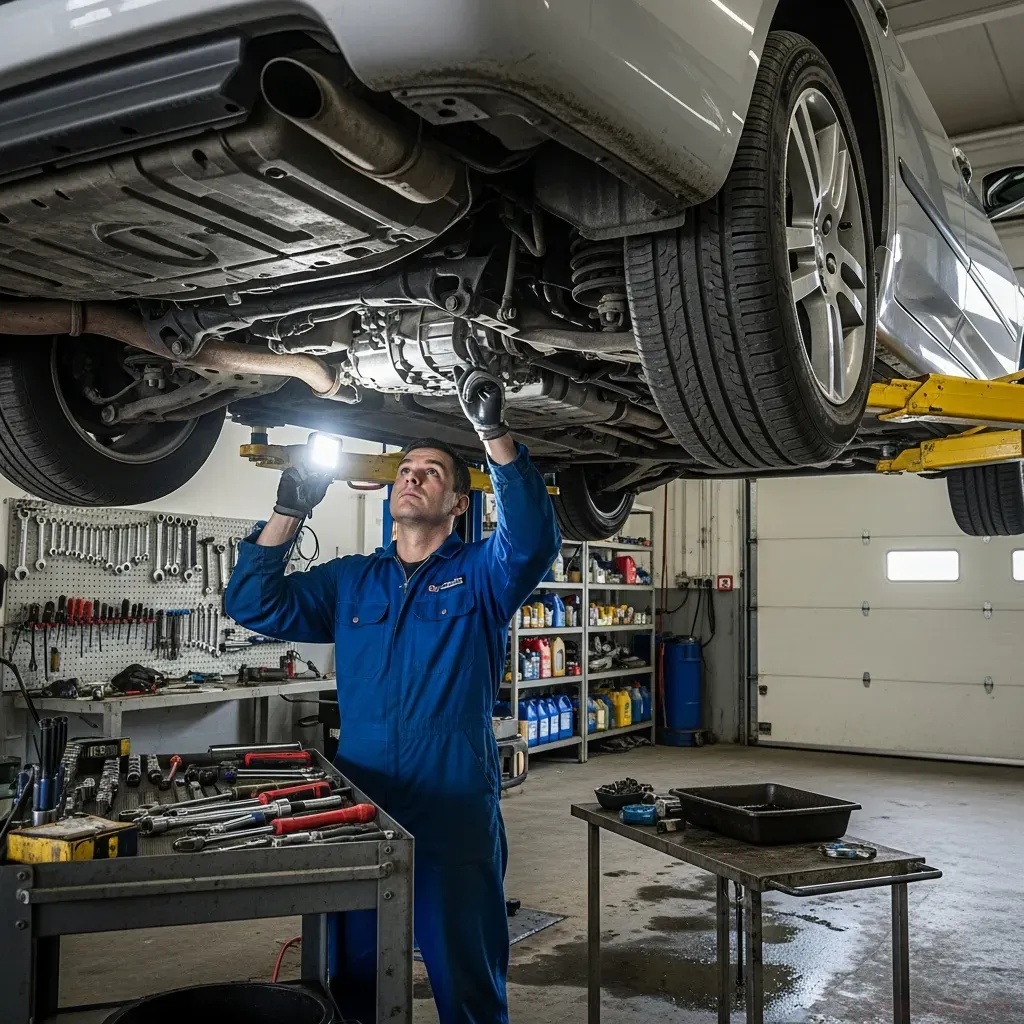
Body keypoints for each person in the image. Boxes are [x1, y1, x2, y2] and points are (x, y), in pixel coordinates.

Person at [225, 368, 561, 1023]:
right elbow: (252, 601)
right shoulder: (352, 580)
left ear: (459, 503)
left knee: (465, 972)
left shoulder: (478, 577)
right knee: (351, 970)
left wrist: (494, 435)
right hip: (363, 796)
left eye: (432, 471)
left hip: (452, 798)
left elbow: (531, 544)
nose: (413, 475)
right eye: (406, 469)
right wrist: (289, 508)